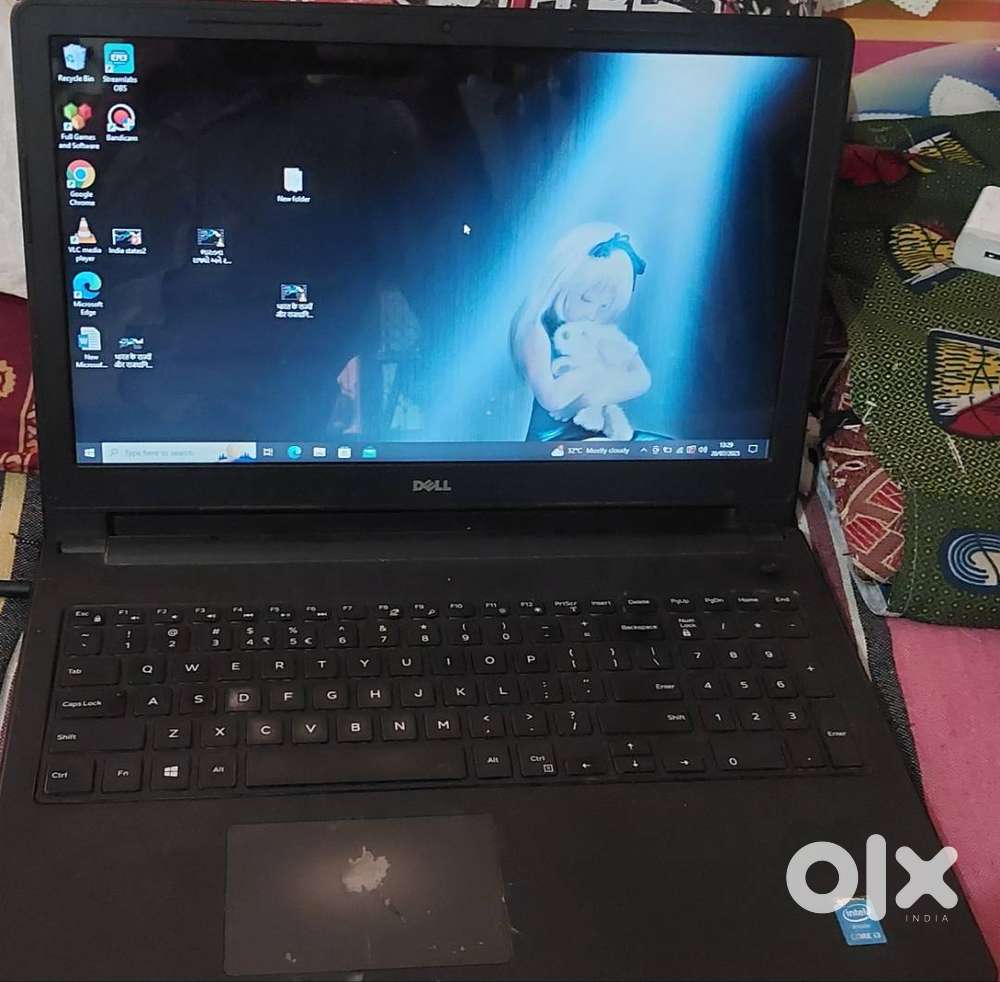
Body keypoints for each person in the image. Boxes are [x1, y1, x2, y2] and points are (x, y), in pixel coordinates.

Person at [509, 222, 658, 442]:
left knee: (664, 448)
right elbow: (552, 399)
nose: (592, 313)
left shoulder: (594, 328)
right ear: (561, 281)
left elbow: (641, 379)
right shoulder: (536, 329)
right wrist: (597, 374)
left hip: (596, 430)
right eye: (586, 299)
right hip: (552, 441)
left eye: (604, 306)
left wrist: (590, 397)